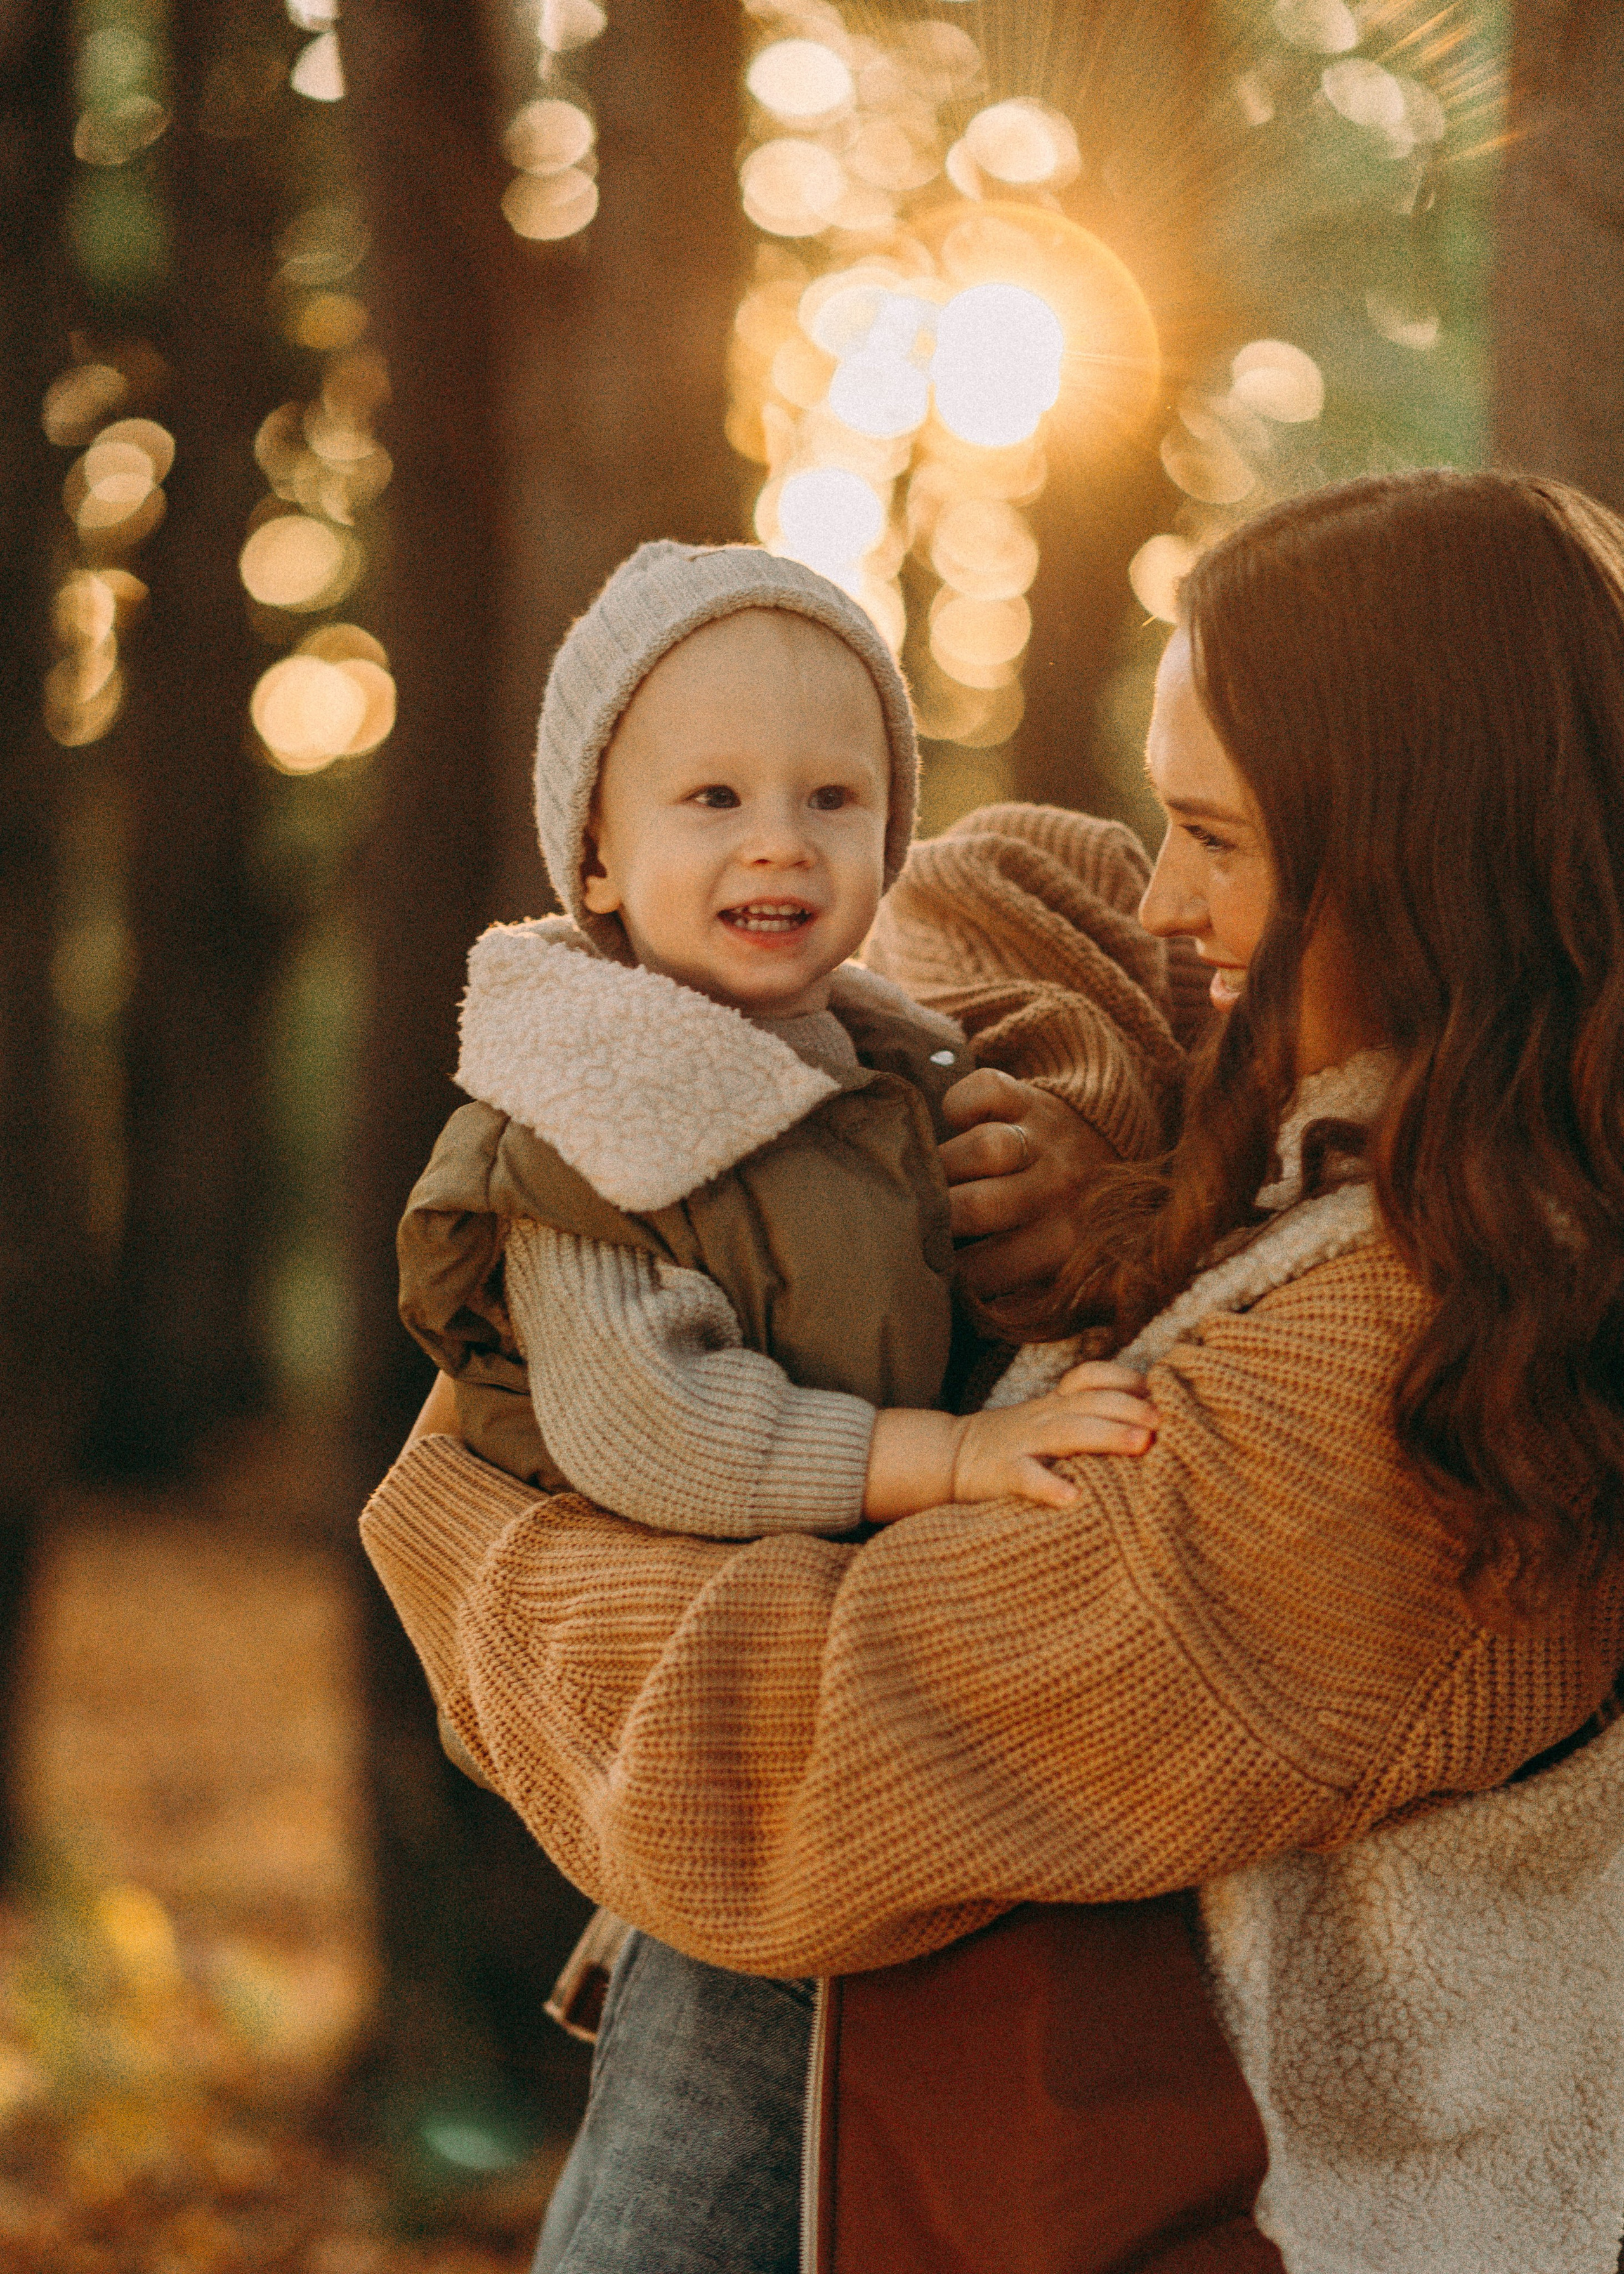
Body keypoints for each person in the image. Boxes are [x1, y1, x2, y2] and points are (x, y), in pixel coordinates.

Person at [363, 471, 1624, 2273]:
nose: (1169, 898)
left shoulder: (1411, 1369)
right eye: (1168, 820)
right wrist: (1101, 1174)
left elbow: (793, 1773)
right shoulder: (1420, 1163)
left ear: (1431, 852)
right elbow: (997, 884)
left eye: (1224, 839)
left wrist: (482, 1525)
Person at [393, 537, 1160, 2274]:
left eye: (836, 796)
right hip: (718, 1748)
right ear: (596, 846)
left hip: (873, 1734)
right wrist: (944, 1460)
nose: (778, 843)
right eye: (714, 797)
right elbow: (649, 1431)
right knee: (677, 2222)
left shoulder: (887, 1065)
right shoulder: (593, 1114)